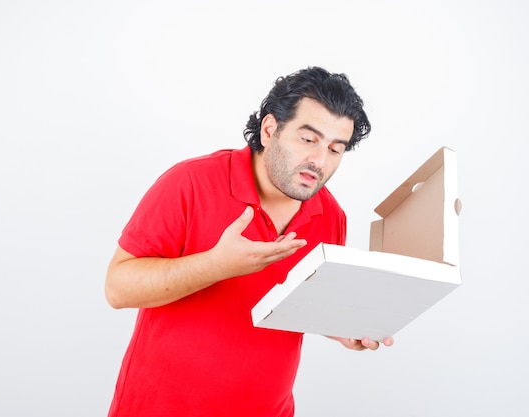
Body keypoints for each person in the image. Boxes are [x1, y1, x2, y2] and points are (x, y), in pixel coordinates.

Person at [105, 66, 394, 416]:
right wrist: (214, 266)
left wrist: (342, 329)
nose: (319, 160)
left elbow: (300, 306)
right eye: (308, 139)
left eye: (335, 149)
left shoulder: (331, 217)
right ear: (270, 129)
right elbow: (118, 289)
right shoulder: (190, 183)